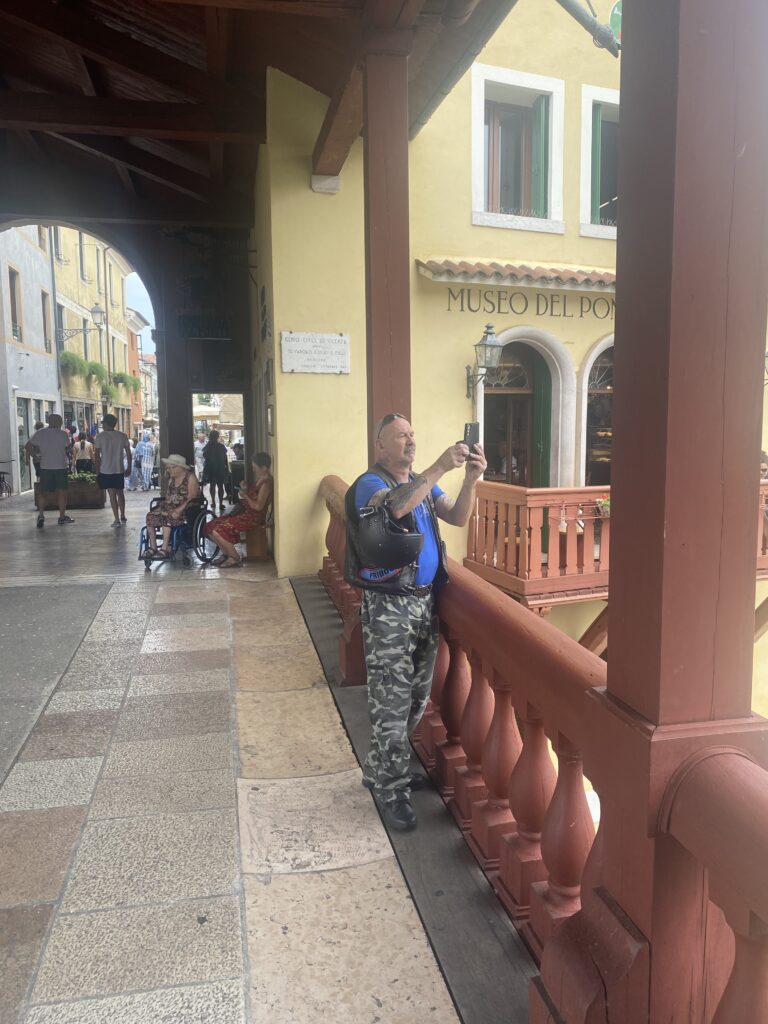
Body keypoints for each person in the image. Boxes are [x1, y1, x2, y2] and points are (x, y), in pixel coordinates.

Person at [348, 413, 486, 832]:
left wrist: (471, 479)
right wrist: (440, 466)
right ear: (380, 444)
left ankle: (380, 769)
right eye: (400, 436)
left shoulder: (424, 483)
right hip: (389, 606)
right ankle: (390, 791)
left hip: (425, 603)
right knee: (390, 700)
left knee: (415, 698)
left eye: (412, 434)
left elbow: (457, 516)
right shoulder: (370, 483)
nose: (410, 440)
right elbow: (394, 507)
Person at [203, 452, 273, 568]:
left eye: (255, 467)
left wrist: (245, 496)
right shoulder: (260, 479)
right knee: (209, 527)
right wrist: (245, 489)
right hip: (244, 513)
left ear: (264, 468)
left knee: (218, 530)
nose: (253, 470)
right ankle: (226, 554)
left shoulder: (266, 484)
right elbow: (253, 496)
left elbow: (258, 506)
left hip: (253, 517)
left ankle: (234, 557)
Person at [144, 454, 200, 559]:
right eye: (168, 468)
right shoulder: (172, 479)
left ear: (180, 467)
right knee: (150, 516)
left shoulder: (190, 477)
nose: (168, 470)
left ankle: (164, 548)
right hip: (170, 508)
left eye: (171, 468)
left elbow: (191, 497)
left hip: (186, 509)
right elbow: (168, 497)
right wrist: (162, 506)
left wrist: (179, 509)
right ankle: (153, 547)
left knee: (167, 516)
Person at [24, 414, 74, 528]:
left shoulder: (40, 433)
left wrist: (35, 456)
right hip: (60, 467)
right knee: (62, 492)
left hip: (45, 467)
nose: (61, 423)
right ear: (58, 422)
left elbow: (27, 446)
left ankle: (41, 515)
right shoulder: (63, 434)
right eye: (60, 421)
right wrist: (69, 447)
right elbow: (67, 448)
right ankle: (62, 517)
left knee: (43, 492)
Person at [93, 414, 132, 528]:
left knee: (112, 495)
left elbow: (96, 455)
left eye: (103, 423)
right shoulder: (122, 436)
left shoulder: (100, 436)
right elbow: (128, 453)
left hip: (106, 470)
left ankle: (116, 519)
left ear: (106, 423)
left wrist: (97, 470)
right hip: (119, 468)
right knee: (120, 493)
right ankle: (123, 515)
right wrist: (129, 467)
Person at [202, 430, 229, 515]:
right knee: (219, 486)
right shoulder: (219, 446)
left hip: (213, 468)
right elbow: (225, 458)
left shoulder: (212, 446)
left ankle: (215, 502)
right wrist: (226, 468)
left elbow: (204, 455)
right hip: (218, 468)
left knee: (214, 485)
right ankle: (219, 503)